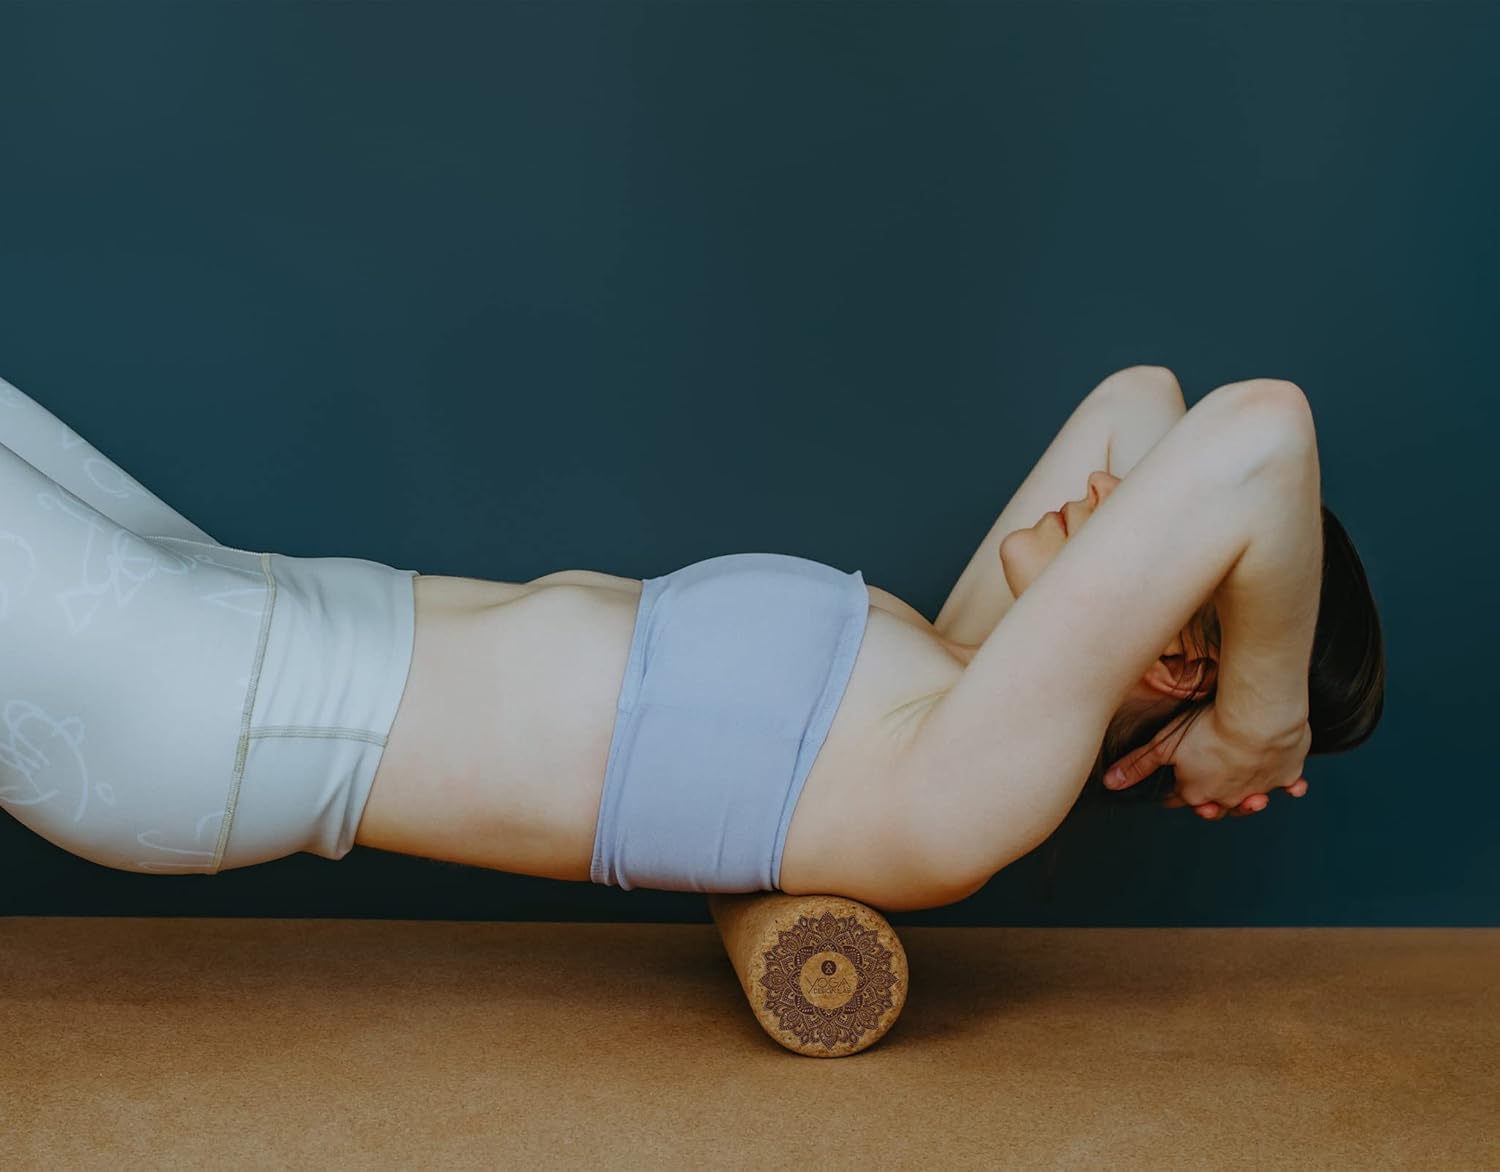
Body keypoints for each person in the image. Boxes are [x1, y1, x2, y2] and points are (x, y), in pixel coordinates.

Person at [0, 367, 1383, 912]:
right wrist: (1231, 692)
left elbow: (1262, 431)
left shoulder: (961, 788)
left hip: (202, 703)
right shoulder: (949, 672)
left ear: (1174, 657)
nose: (1107, 485)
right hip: (228, 613)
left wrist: (1262, 716)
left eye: (1134, 522)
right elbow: (1147, 397)